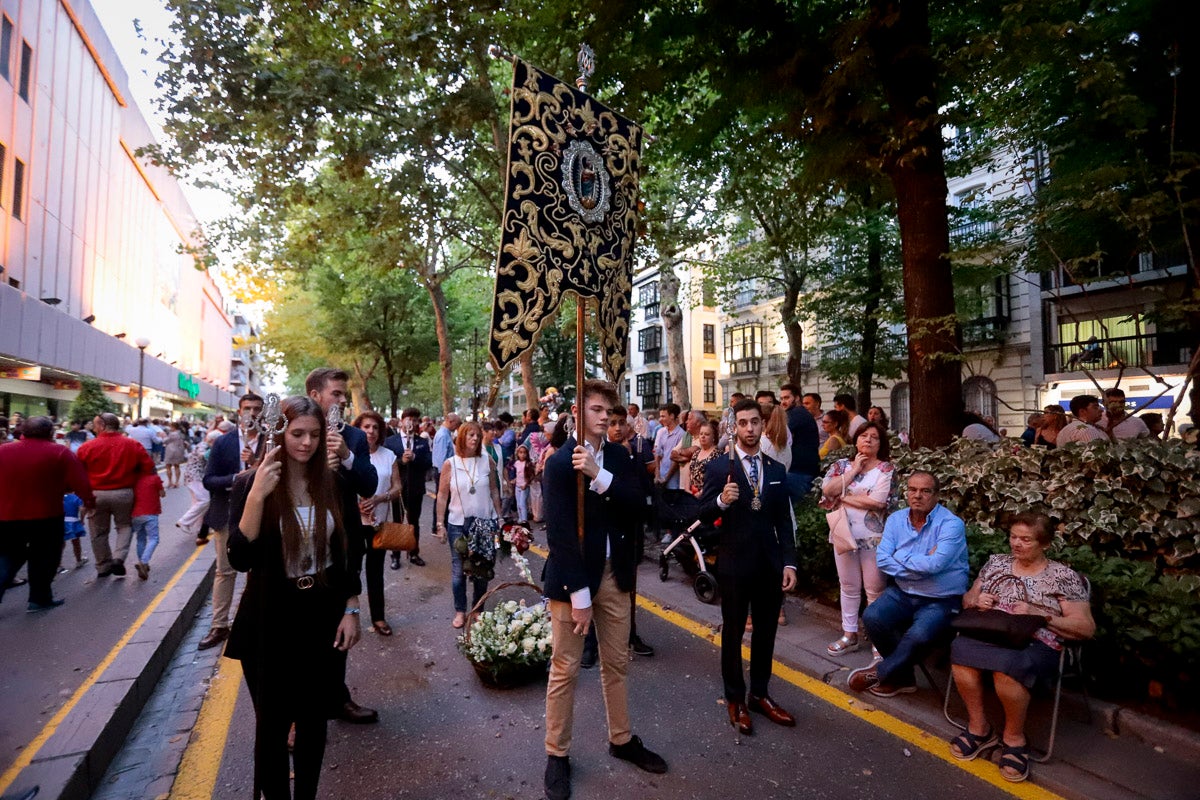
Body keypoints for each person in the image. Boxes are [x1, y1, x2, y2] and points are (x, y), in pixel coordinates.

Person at [224, 396, 363, 800]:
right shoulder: (250, 483)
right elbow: (239, 557)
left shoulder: (334, 483)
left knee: (313, 722)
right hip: (270, 618)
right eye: (297, 433)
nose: (305, 443)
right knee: (271, 726)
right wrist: (256, 498)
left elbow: (350, 550)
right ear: (280, 432)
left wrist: (352, 607)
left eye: (314, 435)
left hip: (322, 614)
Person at [542, 381, 667, 800]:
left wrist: (599, 476)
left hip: (616, 577)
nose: (602, 418)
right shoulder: (560, 463)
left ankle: (621, 739)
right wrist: (578, 598)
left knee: (617, 663)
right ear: (578, 412)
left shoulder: (617, 456)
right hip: (573, 580)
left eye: (607, 412)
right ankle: (557, 754)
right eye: (594, 410)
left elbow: (637, 503)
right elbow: (559, 534)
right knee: (565, 670)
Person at [948, 512, 1095, 783]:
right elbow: (967, 599)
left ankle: (1014, 738)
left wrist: (1038, 613)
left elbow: (1085, 628)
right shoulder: (996, 563)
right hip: (991, 632)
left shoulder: (1063, 576)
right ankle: (979, 728)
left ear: (1045, 544)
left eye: (1026, 539)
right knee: (960, 653)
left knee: (1007, 670)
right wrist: (978, 600)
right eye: (1013, 537)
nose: (1016, 544)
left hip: (1036, 641)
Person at [698, 398, 799, 736]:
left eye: (755, 422)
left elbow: (783, 521)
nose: (750, 429)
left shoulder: (775, 470)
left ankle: (759, 693)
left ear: (763, 423)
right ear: (734, 427)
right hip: (734, 565)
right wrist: (720, 502)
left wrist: (789, 563)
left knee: (767, 633)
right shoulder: (718, 470)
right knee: (734, 632)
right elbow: (702, 518)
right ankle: (735, 697)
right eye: (743, 423)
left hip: (769, 566)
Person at [849, 470, 969, 697]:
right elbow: (883, 560)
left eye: (925, 491)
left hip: (941, 598)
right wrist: (920, 566)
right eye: (912, 489)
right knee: (873, 617)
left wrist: (902, 558)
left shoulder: (951, 525)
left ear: (936, 495)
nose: (918, 495)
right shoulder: (896, 520)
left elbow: (935, 565)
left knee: (919, 635)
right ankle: (902, 678)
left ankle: (882, 673)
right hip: (905, 591)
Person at [305, 368, 379, 724]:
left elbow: (368, 484)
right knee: (301, 631)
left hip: (345, 543)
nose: (343, 400)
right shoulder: (297, 431)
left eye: (344, 394)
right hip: (302, 544)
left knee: (341, 622)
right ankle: (296, 712)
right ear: (316, 395)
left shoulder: (353, 436)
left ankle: (338, 697)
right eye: (336, 393)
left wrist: (348, 457)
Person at [0, 416, 94, 610]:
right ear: (51, 433)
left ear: (23, 432)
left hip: (6, 514)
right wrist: (89, 502)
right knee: (44, 557)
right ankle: (39, 598)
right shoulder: (60, 452)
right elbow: (81, 483)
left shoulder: (3, 451)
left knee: (8, 556)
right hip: (46, 514)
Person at [821, 423, 895, 656]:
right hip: (843, 533)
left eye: (875, 437)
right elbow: (827, 491)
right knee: (848, 586)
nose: (869, 440)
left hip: (873, 538)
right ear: (856, 439)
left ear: (881, 443)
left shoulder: (886, 469)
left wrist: (843, 496)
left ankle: (877, 639)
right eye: (864, 435)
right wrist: (852, 471)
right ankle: (849, 634)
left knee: (875, 590)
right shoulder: (841, 466)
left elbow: (878, 502)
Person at [198, 393, 265, 651]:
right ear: (239, 412)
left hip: (260, 516)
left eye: (257, 409)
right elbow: (209, 480)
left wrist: (255, 466)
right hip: (227, 515)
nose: (252, 413)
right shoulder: (223, 443)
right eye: (247, 408)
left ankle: (254, 621)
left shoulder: (271, 442)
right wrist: (237, 478)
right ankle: (219, 625)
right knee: (224, 571)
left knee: (256, 571)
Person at [434, 422, 502, 629]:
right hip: (458, 523)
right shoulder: (450, 464)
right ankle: (460, 610)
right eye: (470, 435)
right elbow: (442, 495)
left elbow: (494, 491)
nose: (474, 438)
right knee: (458, 571)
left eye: (477, 435)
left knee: (482, 569)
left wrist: (500, 518)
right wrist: (439, 523)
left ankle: (478, 609)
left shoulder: (487, 461)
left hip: (484, 522)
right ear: (461, 437)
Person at [77, 413, 157, 578]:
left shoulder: (87, 447)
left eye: (95, 425)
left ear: (102, 426)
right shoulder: (133, 444)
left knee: (98, 531)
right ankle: (119, 558)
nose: (93, 428)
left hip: (96, 494)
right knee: (124, 526)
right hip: (124, 493)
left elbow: (78, 472)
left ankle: (103, 565)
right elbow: (148, 467)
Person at [353, 411, 404, 636]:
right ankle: (348, 616)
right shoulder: (350, 455)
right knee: (350, 573)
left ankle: (379, 618)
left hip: (379, 524)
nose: (371, 431)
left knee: (375, 573)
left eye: (374, 427)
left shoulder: (389, 455)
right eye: (366, 427)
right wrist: (356, 504)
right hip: (352, 524)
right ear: (358, 429)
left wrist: (379, 498)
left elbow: (397, 488)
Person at [382, 408, 432, 569]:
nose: (412, 423)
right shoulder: (391, 441)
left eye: (416, 420)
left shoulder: (422, 442)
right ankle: (395, 555)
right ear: (402, 421)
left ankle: (413, 552)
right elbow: (386, 463)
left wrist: (415, 457)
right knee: (397, 521)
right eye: (409, 419)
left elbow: (427, 463)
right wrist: (401, 461)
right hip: (398, 488)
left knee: (414, 522)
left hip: (416, 488)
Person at [780, 383, 820, 500]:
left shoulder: (797, 414)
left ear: (797, 398)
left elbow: (776, 434)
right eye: (781, 398)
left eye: (787, 398)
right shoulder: (798, 414)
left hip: (800, 473)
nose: (783, 402)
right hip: (801, 472)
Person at [179, 429, 221, 537]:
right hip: (195, 477)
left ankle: (199, 528)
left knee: (199, 503)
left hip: (195, 477)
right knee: (205, 500)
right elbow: (204, 456)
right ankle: (185, 521)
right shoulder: (203, 445)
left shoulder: (206, 445)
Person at [130, 468, 166, 581]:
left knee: (141, 539)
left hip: (136, 514)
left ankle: (143, 564)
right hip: (151, 513)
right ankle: (144, 562)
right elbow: (162, 494)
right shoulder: (155, 478)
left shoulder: (134, 479)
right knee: (154, 539)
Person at [683, 419, 721, 495]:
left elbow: (716, 479)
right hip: (692, 495)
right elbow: (688, 472)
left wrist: (701, 493)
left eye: (706, 434)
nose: (703, 436)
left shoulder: (718, 454)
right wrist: (687, 489)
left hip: (708, 495)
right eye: (701, 434)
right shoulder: (696, 453)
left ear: (713, 437)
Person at [506, 444, 535, 526]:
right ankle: (520, 518)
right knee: (518, 503)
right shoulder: (516, 463)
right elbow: (516, 473)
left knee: (522, 503)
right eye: (520, 452)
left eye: (524, 453)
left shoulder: (527, 464)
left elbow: (531, 475)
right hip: (518, 485)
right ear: (517, 454)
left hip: (524, 486)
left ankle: (524, 520)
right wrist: (514, 480)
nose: (522, 454)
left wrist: (526, 484)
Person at [62, 492, 89, 570]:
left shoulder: (59, 496)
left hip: (60, 522)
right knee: (76, 542)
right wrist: (82, 519)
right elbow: (82, 509)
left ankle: (58, 564)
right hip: (73, 522)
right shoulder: (76, 497)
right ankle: (78, 560)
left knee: (61, 544)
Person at [163, 422, 189, 488]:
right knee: (177, 466)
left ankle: (170, 482)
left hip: (170, 451)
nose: (170, 428)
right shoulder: (181, 433)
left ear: (173, 427)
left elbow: (165, 441)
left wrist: (163, 437)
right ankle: (177, 482)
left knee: (168, 466)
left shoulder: (172, 434)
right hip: (179, 450)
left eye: (171, 427)